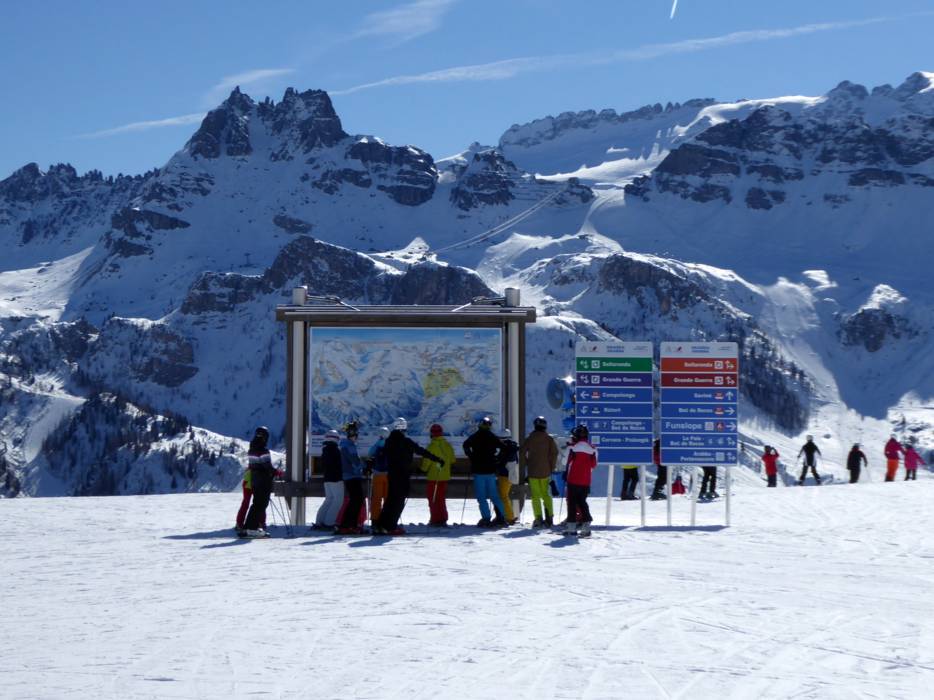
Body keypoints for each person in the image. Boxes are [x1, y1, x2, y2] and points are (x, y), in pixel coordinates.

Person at [374, 418, 442, 535]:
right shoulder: (406, 441)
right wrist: (437, 459)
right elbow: (421, 451)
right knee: (399, 501)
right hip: (403, 475)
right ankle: (390, 526)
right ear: (404, 429)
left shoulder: (388, 441)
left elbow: (381, 455)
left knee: (390, 500)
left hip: (392, 474)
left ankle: (381, 525)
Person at [463, 416, 509, 528]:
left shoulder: (475, 436)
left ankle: (486, 518)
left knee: (481, 497)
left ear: (480, 425)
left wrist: (472, 457)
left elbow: (465, 445)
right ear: (489, 426)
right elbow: (504, 448)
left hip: (478, 470)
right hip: (490, 471)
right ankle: (501, 517)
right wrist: (496, 459)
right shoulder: (492, 436)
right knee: (494, 496)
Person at [523, 416, 558, 528]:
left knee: (535, 496)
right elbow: (554, 453)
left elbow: (522, 452)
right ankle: (549, 517)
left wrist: (527, 463)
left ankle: (538, 518)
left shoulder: (530, 438)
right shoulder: (549, 439)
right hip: (545, 472)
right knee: (546, 494)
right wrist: (551, 467)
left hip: (533, 471)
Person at [565, 424, 598, 536]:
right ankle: (586, 527)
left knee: (572, 503)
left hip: (573, 479)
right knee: (582, 502)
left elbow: (565, 462)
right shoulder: (593, 449)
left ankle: (571, 527)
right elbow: (593, 465)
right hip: (585, 480)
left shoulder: (572, 448)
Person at [243, 426, 274, 538]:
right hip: (263, 481)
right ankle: (252, 529)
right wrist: (276, 472)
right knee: (261, 505)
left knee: (256, 504)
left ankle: (248, 527)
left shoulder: (251, 449)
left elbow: (254, 465)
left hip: (255, 480)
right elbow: (267, 466)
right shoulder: (263, 450)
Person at [421, 423, 455, 526]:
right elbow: (452, 460)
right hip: (444, 476)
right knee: (441, 498)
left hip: (433, 476)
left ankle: (435, 519)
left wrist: (422, 469)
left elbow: (426, 462)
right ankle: (443, 518)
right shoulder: (448, 445)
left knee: (433, 499)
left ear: (431, 434)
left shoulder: (431, 446)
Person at [337, 422, 367, 534]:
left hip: (349, 475)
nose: (357, 436)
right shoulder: (349, 446)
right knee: (357, 500)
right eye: (356, 434)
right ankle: (347, 525)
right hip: (352, 475)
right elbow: (355, 462)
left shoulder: (346, 445)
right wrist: (365, 465)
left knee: (355, 500)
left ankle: (349, 524)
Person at [314, 430, 344, 529]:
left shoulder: (325, 449)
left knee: (329, 499)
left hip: (327, 478)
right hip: (336, 478)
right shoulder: (335, 450)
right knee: (338, 500)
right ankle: (329, 523)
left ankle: (319, 521)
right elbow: (339, 465)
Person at [495, 429, 520, 524]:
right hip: (510, 475)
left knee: (503, 496)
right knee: (504, 496)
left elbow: (500, 462)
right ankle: (506, 515)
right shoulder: (513, 447)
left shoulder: (504, 449)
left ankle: (509, 517)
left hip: (504, 475)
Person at [368, 427, 390, 523]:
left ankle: (375, 518)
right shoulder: (390, 445)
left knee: (376, 498)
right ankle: (387, 518)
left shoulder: (377, 445)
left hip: (377, 474)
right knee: (387, 498)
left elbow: (370, 454)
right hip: (388, 475)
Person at [236, 462, 265, 535]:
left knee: (246, 504)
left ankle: (239, 524)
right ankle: (261, 523)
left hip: (248, 481)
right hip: (255, 482)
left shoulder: (252, 463)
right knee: (260, 503)